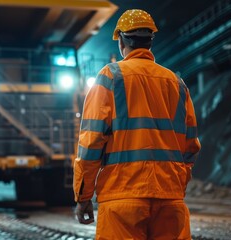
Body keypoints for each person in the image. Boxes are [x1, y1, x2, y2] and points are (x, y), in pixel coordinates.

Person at [73, 9, 201, 240]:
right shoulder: (176, 82)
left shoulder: (110, 77)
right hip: (170, 200)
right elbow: (190, 146)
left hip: (122, 199)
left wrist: (83, 196)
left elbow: (91, 142)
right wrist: (173, 186)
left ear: (121, 40)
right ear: (150, 41)